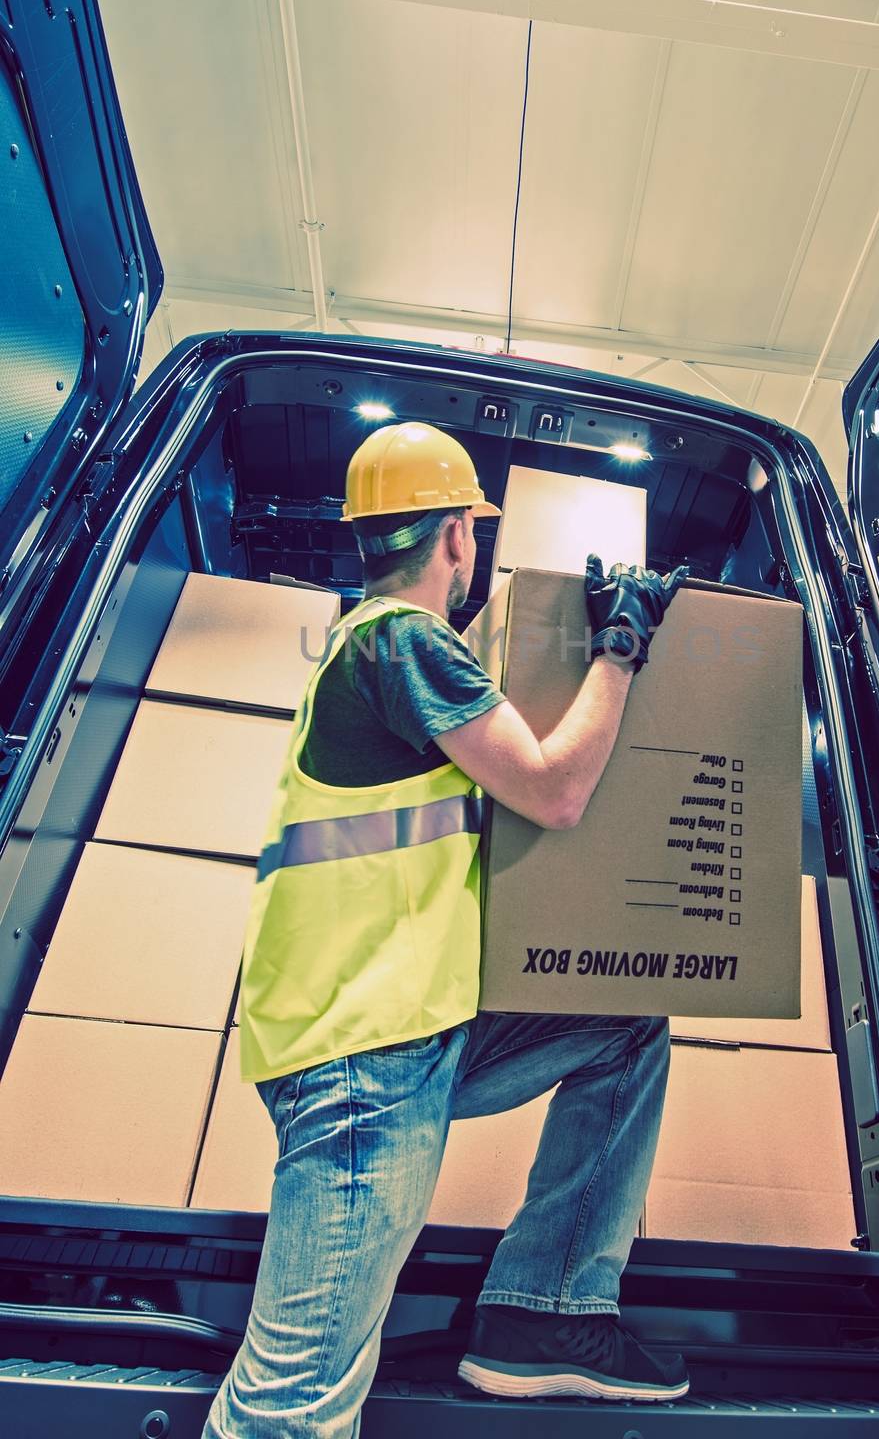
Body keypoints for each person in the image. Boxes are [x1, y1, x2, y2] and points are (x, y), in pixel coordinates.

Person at [204, 421, 689, 1438]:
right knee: (294, 1404)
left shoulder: (382, 655)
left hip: (408, 1035)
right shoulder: (403, 641)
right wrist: (619, 644)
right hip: (364, 1060)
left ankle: (542, 1310)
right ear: (460, 537)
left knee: (626, 1024)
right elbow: (555, 791)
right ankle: (536, 1311)